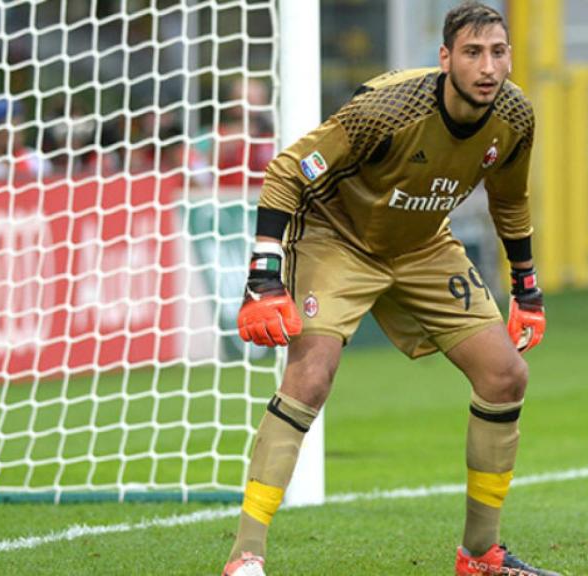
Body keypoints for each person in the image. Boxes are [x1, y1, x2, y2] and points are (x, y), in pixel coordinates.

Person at [222, 3, 557, 575]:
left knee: (506, 376)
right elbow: (287, 171)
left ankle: (480, 556)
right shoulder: (388, 107)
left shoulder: (516, 117)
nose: (487, 67)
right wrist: (263, 275)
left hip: (422, 243)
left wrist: (526, 288)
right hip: (337, 237)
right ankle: (245, 555)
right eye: (473, 53)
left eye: (498, 52)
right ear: (445, 58)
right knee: (312, 375)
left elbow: (509, 199)